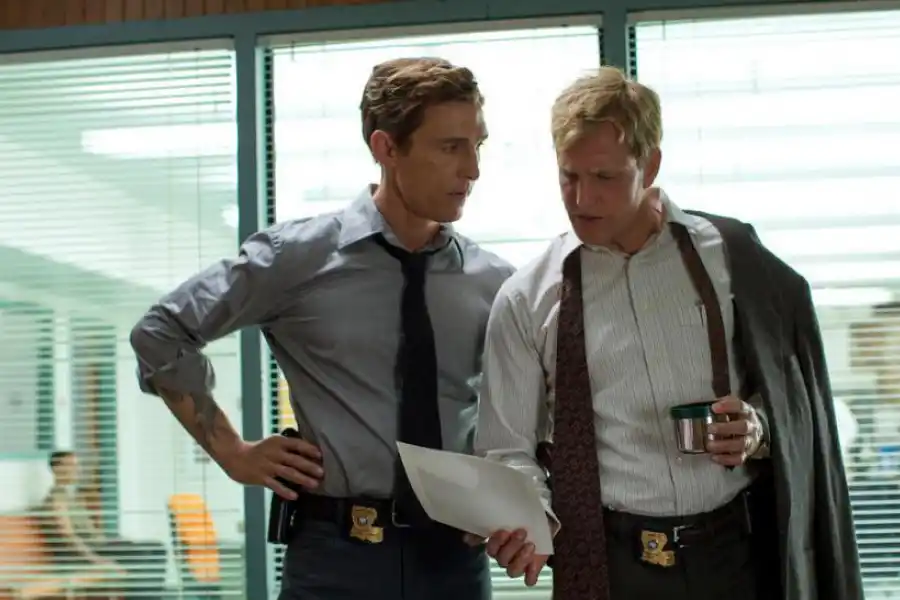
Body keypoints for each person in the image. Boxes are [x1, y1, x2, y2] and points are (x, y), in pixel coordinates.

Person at [471, 66, 863, 600]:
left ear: (650, 164)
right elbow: (507, 449)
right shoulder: (526, 298)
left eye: (605, 177)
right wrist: (528, 516)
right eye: (569, 176)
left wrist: (759, 429)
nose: (582, 198)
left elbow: (797, 398)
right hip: (612, 567)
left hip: (740, 556)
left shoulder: (734, 258)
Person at [130, 57, 514, 600]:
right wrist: (232, 452)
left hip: (455, 561)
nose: (472, 169)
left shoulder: (496, 282)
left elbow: (532, 411)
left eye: (478, 145)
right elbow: (161, 332)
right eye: (450, 147)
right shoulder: (298, 258)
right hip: (335, 560)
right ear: (386, 148)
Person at [40, 451, 167, 600]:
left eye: (77, 465)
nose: (77, 469)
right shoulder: (57, 500)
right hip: (84, 553)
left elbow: (89, 532)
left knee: (157, 548)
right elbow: (69, 536)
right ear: (57, 469)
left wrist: (114, 540)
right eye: (71, 465)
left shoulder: (73, 496)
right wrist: (94, 559)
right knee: (141, 553)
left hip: (98, 545)